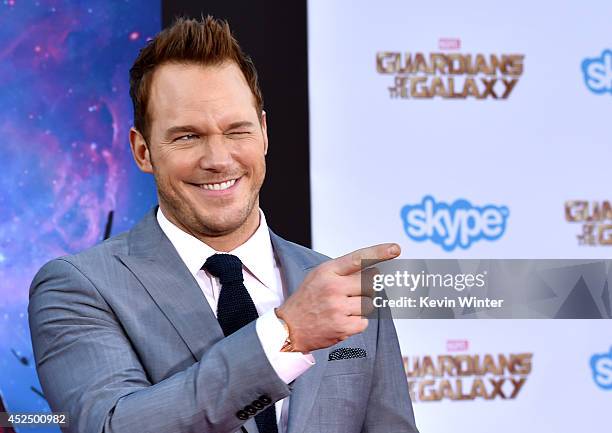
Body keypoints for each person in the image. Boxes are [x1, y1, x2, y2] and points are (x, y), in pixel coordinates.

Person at [28, 16, 419, 433]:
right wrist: (286, 336)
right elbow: (109, 426)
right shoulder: (79, 288)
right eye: (186, 137)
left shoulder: (343, 289)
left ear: (264, 133)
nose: (218, 158)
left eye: (236, 131)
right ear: (142, 151)